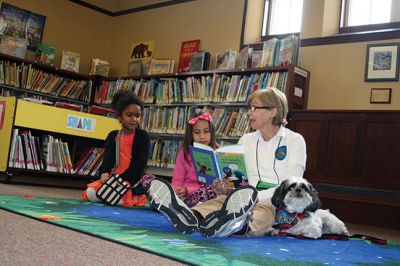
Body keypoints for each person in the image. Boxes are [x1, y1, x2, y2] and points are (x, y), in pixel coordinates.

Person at [147, 88, 307, 236]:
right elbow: (238, 179)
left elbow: (290, 187)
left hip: (273, 199)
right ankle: (190, 216)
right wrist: (224, 186)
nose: (249, 113)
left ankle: (240, 225)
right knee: (219, 201)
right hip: (241, 197)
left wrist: (252, 196)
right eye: (249, 108)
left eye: (254, 108)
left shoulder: (294, 140)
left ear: (273, 111)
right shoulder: (246, 140)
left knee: (265, 212)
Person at [142, 110, 227, 208]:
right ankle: (173, 202)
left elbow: (218, 185)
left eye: (206, 131)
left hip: (204, 196)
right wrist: (177, 190)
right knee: (146, 179)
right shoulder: (185, 152)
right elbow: (177, 178)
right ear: (191, 134)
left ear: (212, 132)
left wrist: (188, 190)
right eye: (197, 132)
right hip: (183, 195)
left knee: (211, 190)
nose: (202, 136)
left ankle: (173, 205)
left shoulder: (218, 152)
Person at [82, 90, 150, 207]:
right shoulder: (113, 135)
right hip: (113, 180)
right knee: (90, 193)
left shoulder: (142, 136)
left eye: (137, 116)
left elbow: (139, 164)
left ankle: (117, 199)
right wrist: (104, 173)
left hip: (130, 181)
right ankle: (112, 198)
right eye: (129, 115)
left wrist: (120, 179)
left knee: (118, 197)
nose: (134, 119)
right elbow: (108, 157)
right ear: (119, 117)